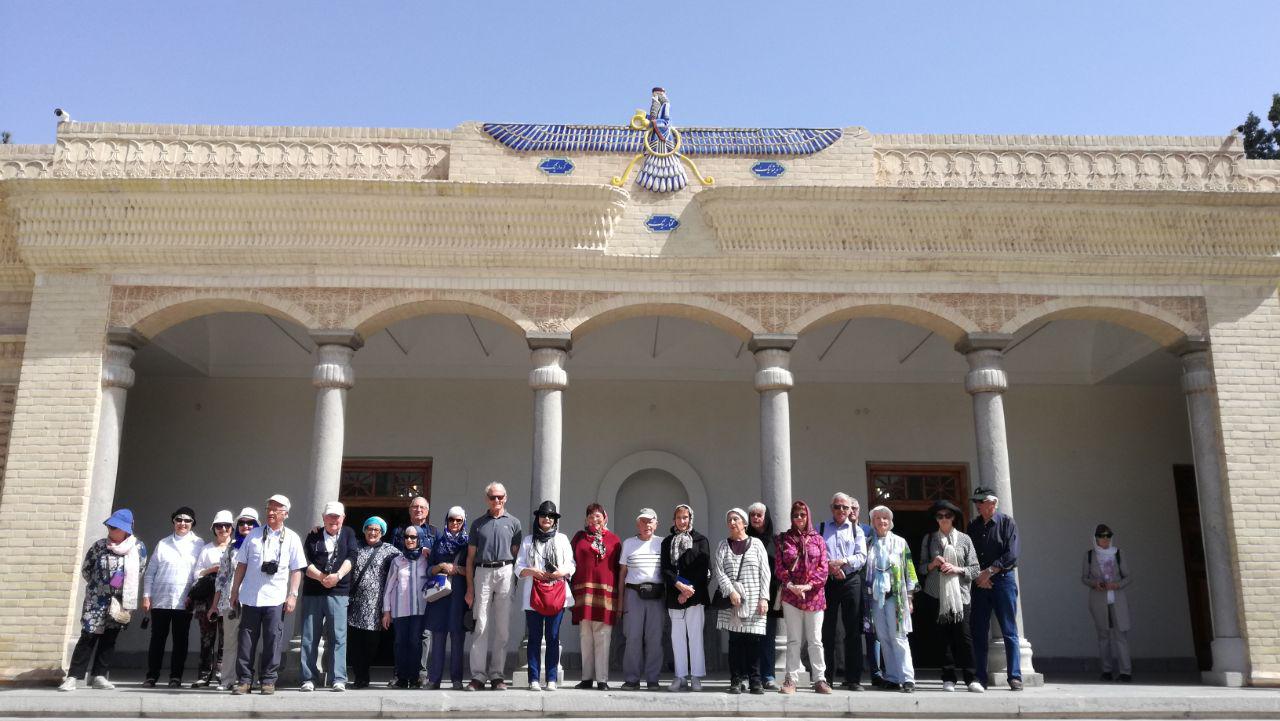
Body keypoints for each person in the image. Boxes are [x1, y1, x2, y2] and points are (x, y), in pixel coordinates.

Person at [59, 509, 148, 692]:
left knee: (109, 638)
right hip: (96, 599)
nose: (110, 530)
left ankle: (99, 676)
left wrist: (119, 587)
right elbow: (87, 570)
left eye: (115, 527)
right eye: (109, 526)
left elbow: (139, 571)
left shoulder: (138, 548)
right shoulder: (99, 546)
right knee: (88, 636)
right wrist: (101, 586)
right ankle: (73, 676)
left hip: (119, 601)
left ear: (126, 530)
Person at [229, 494, 306, 695]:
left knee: (273, 639)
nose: (271, 512)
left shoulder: (292, 538)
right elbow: (241, 565)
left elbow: (297, 569)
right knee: (246, 640)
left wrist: (293, 595)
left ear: (286, 514)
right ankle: (244, 680)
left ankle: (268, 680)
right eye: (269, 508)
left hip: (276, 597)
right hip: (250, 596)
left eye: (276, 509)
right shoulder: (253, 535)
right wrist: (234, 591)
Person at [917, 500, 982, 693]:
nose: (944, 519)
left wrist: (957, 569)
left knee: (964, 637)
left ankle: (971, 678)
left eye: (948, 515)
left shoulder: (964, 539)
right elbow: (920, 567)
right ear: (936, 519)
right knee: (942, 639)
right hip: (936, 595)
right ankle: (948, 678)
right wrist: (933, 564)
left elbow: (976, 569)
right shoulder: (929, 539)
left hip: (961, 596)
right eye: (940, 516)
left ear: (954, 518)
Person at [464, 482, 523, 691]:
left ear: (505, 497)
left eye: (500, 497)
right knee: (481, 625)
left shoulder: (514, 523)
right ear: (487, 499)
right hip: (482, 571)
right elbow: (470, 559)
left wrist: (514, 581)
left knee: (502, 627)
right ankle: (478, 676)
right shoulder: (478, 524)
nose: (496, 500)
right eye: (492, 497)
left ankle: (497, 674)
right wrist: (470, 588)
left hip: (506, 571)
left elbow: (517, 557)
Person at [967, 486, 1023, 691]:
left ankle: (1015, 676)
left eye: (981, 502)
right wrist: (979, 576)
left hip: (1003, 581)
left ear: (993, 503)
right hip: (980, 583)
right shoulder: (973, 525)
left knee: (1009, 630)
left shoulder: (1007, 522)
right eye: (976, 502)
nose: (978, 506)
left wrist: (989, 571)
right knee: (979, 630)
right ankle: (980, 676)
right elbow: (969, 554)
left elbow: (1012, 554)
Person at [517, 501, 576, 691]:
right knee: (534, 637)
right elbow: (518, 567)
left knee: (552, 636)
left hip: (556, 593)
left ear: (555, 520)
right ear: (538, 518)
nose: (547, 519)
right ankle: (533, 679)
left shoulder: (562, 539)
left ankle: (551, 678)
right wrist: (531, 570)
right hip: (534, 594)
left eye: (551, 516)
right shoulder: (528, 540)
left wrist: (561, 572)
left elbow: (571, 564)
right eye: (543, 516)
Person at [300, 501, 358, 692]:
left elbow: (352, 557)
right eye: (330, 516)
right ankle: (308, 678)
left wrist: (337, 576)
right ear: (323, 518)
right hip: (313, 591)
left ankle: (338, 678)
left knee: (338, 636)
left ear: (343, 518)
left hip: (338, 592)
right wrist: (321, 577)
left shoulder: (348, 533)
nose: (334, 520)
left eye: (337, 516)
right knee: (310, 636)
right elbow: (304, 561)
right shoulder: (313, 535)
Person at [142, 506, 203, 687]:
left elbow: (198, 573)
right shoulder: (163, 543)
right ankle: (152, 676)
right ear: (173, 522)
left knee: (180, 641)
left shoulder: (198, 544)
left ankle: (176, 677)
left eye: (187, 520)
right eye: (179, 519)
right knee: (157, 640)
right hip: (161, 599)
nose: (182, 523)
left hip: (184, 600)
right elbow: (150, 572)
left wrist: (192, 595)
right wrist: (147, 595)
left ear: (192, 523)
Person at [775, 500, 831, 695]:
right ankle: (791, 679)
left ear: (808, 516)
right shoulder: (784, 539)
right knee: (793, 640)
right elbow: (780, 567)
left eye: (802, 515)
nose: (799, 518)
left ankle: (820, 679)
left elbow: (823, 568)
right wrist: (791, 585)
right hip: (791, 596)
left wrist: (808, 585)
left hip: (814, 595)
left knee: (815, 639)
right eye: (795, 515)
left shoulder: (818, 540)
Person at [713, 507, 771, 695]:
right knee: (735, 642)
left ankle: (755, 680)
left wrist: (764, 598)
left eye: (736, 519)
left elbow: (765, 573)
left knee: (754, 641)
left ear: (744, 523)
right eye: (729, 520)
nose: (732, 523)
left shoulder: (756, 544)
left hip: (754, 600)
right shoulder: (723, 545)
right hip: (732, 602)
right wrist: (730, 592)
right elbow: (719, 571)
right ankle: (736, 680)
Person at [569, 503, 621, 690]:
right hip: (583, 593)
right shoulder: (579, 538)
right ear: (586, 519)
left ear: (605, 517)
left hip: (605, 593)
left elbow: (619, 570)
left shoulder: (614, 540)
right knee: (585, 636)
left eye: (598, 516)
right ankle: (586, 677)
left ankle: (602, 679)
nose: (594, 519)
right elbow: (570, 562)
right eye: (591, 516)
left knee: (603, 636)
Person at [865, 505, 918, 692]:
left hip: (896, 597)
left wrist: (910, 596)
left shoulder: (900, 542)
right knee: (884, 637)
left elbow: (909, 568)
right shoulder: (868, 543)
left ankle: (907, 677)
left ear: (890, 521)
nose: (881, 522)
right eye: (878, 518)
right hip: (876, 598)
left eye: (885, 518)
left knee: (899, 636)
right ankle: (893, 677)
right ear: (872, 522)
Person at [820, 492, 867, 691]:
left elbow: (861, 556)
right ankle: (826, 678)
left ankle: (853, 679)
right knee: (827, 631)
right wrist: (831, 567)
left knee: (852, 631)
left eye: (845, 507)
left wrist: (843, 563)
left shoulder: (857, 531)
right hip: (828, 582)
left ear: (851, 510)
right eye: (837, 507)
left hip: (851, 581)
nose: (841, 511)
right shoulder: (821, 528)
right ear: (832, 508)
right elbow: (817, 554)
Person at [660, 504, 709, 692]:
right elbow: (665, 569)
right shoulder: (667, 542)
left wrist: (688, 590)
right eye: (679, 517)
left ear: (690, 518)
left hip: (695, 595)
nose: (682, 521)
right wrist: (679, 587)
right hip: (675, 595)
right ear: (674, 520)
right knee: (677, 637)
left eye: (685, 517)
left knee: (695, 637)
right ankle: (680, 676)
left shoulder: (700, 540)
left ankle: (696, 676)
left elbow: (703, 568)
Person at [347, 516, 400, 689]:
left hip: (376, 606)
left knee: (370, 644)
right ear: (364, 530)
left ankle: (365, 672)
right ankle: (359, 677)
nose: (372, 532)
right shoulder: (355, 546)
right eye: (369, 528)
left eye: (376, 530)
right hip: (354, 604)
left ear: (382, 533)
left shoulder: (390, 550)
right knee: (354, 644)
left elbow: (406, 561)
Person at [392, 495, 439, 683]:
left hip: (427, 592)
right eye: (415, 507)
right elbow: (392, 555)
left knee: (424, 634)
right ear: (409, 510)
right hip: (403, 592)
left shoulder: (435, 532)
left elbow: (441, 557)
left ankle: (421, 673)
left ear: (427, 511)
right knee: (402, 637)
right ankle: (399, 674)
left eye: (422, 507)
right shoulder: (398, 531)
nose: (418, 510)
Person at [210, 507, 257, 690]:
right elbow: (222, 577)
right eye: (242, 522)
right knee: (230, 641)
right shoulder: (231, 548)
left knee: (250, 642)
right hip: (231, 601)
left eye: (250, 522)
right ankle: (228, 679)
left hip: (253, 600)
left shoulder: (261, 545)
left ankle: (247, 679)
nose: (246, 526)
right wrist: (214, 605)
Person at [619, 507, 665, 691]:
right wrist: (620, 602)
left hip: (657, 595)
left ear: (656, 524)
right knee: (633, 638)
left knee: (655, 639)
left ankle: (653, 679)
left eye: (650, 521)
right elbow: (622, 573)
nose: (647, 525)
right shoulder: (629, 543)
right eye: (643, 521)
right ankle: (632, 679)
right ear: (638, 524)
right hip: (633, 594)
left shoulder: (663, 543)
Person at [425, 506, 470, 689]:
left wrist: (457, 569)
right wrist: (442, 565)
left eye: (459, 520)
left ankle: (457, 679)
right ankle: (434, 679)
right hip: (440, 595)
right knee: (438, 637)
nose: (454, 523)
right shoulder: (438, 542)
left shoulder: (469, 544)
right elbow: (429, 569)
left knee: (458, 637)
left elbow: (474, 570)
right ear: (447, 520)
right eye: (452, 519)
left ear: (463, 522)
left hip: (459, 595)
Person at [382, 524, 432, 688]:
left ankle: (415, 677)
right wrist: (386, 611)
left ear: (420, 539)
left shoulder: (426, 559)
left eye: (413, 537)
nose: (409, 540)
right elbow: (389, 587)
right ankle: (402, 678)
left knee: (415, 642)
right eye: (406, 537)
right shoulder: (397, 560)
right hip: (400, 609)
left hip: (420, 609)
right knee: (400, 642)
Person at [1083, 523, 1132, 682]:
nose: (1105, 539)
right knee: (1103, 635)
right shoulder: (1090, 555)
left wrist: (1117, 585)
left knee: (1121, 635)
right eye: (1101, 536)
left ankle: (1125, 671)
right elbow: (1084, 577)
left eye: (1108, 536)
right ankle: (1106, 670)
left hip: (1117, 598)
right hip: (1099, 599)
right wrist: (1094, 584)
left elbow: (1128, 577)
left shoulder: (1118, 553)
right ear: (1095, 538)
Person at [190, 510, 233, 688]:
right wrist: (211, 570)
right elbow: (196, 573)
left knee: (226, 639)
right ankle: (204, 674)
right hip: (206, 599)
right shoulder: (206, 549)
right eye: (218, 526)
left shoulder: (237, 547)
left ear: (231, 528)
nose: (223, 529)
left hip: (228, 598)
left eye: (226, 526)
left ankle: (221, 674)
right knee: (207, 638)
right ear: (213, 528)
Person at [746, 502, 781, 689]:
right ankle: (751, 676)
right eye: (753, 516)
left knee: (768, 637)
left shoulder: (776, 542)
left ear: (766, 518)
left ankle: (768, 676)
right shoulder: (744, 540)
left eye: (759, 515)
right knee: (750, 637)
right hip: (748, 595)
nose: (756, 519)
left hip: (769, 596)